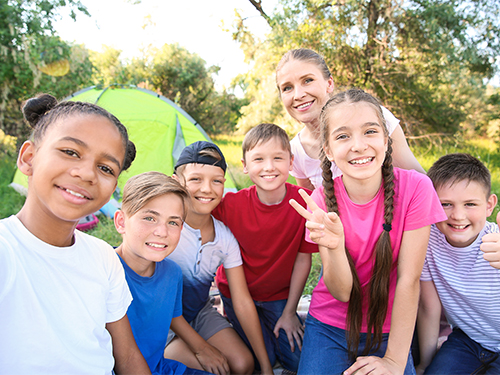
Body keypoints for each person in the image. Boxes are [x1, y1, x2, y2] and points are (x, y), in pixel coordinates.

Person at [289, 88, 446, 375]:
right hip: (330, 326)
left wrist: (395, 362)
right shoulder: (322, 201)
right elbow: (340, 292)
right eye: (343, 136)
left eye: (370, 132)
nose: (358, 146)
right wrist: (335, 247)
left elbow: (409, 281)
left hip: (390, 329)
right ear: (328, 149)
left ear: (387, 140)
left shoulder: (416, 189)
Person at [0, 94, 151, 374]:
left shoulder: (103, 256)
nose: (87, 174)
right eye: (70, 152)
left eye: (105, 168)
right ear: (29, 158)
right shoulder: (6, 252)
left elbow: (127, 356)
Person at [213, 123, 319, 372]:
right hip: (237, 294)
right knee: (265, 359)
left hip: (279, 297)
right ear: (245, 165)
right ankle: (228, 320)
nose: (269, 167)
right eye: (259, 159)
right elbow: (196, 211)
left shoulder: (305, 203)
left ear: (291, 162)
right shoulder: (231, 204)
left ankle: (294, 320)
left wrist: (290, 312)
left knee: (296, 361)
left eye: (278, 158)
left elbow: (303, 260)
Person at [165, 141, 273, 375]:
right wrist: (201, 348)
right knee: (206, 370)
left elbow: (242, 301)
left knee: (243, 365)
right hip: (160, 319)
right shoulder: (165, 230)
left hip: (197, 312)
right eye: (195, 179)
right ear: (176, 181)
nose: (207, 189)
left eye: (216, 181)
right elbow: (155, 298)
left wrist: (265, 367)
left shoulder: (224, 237)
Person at [276, 48, 425, 190]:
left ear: (329, 84)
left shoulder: (373, 117)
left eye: (307, 80)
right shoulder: (296, 150)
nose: (298, 95)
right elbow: (313, 206)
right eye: (287, 88)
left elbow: (422, 183)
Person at [113, 171, 213, 375]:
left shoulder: (172, 274)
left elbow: (173, 317)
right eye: (149, 218)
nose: (162, 232)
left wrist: (202, 348)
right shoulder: (104, 271)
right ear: (121, 222)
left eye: (173, 222)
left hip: (160, 368)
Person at [416, 153, 500, 375]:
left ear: (489, 205)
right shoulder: (428, 242)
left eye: (470, 204)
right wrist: (426, 364)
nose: (458, 215)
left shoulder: (496, 243)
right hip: (469, 340)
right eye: (446, 204)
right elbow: (428, 308)